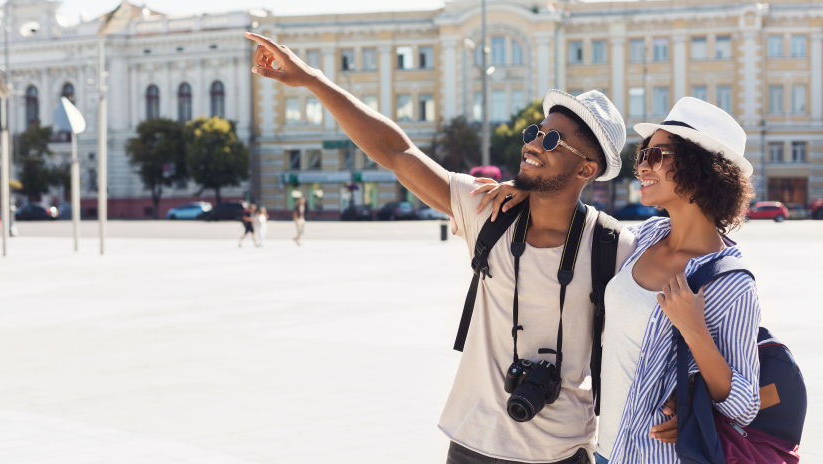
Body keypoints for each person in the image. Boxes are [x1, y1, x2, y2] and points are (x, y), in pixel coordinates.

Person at [245, 31, 635, 464]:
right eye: (534, 132)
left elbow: (662, 325)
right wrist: (315, 81)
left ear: (587, 167)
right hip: (472, 444)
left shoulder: (614, 247)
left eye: (550, 141)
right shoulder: (489, 209)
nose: (529, 144)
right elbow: (396, 151)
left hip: (562, 453)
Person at [478, 97, 761, 464]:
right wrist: (530, 192)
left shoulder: (730, 281)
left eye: (658, 156)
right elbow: (577, 226)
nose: (642, 167)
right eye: (643, 155)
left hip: (662, 456)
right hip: (608, 450)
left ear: (701, 168)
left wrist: (694, 330)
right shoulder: (644, 237)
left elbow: (745, 404)